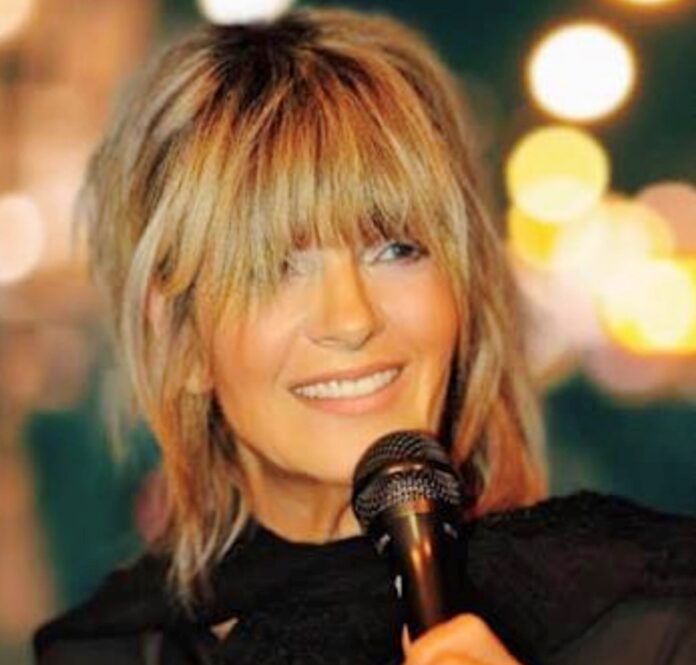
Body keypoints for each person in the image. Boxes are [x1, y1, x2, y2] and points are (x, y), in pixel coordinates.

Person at [33, 6, 696, 665]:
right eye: (274, 266)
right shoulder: (110, 651)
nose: (351, 319)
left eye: (397, 248)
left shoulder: (646, 618)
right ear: (178, 337)